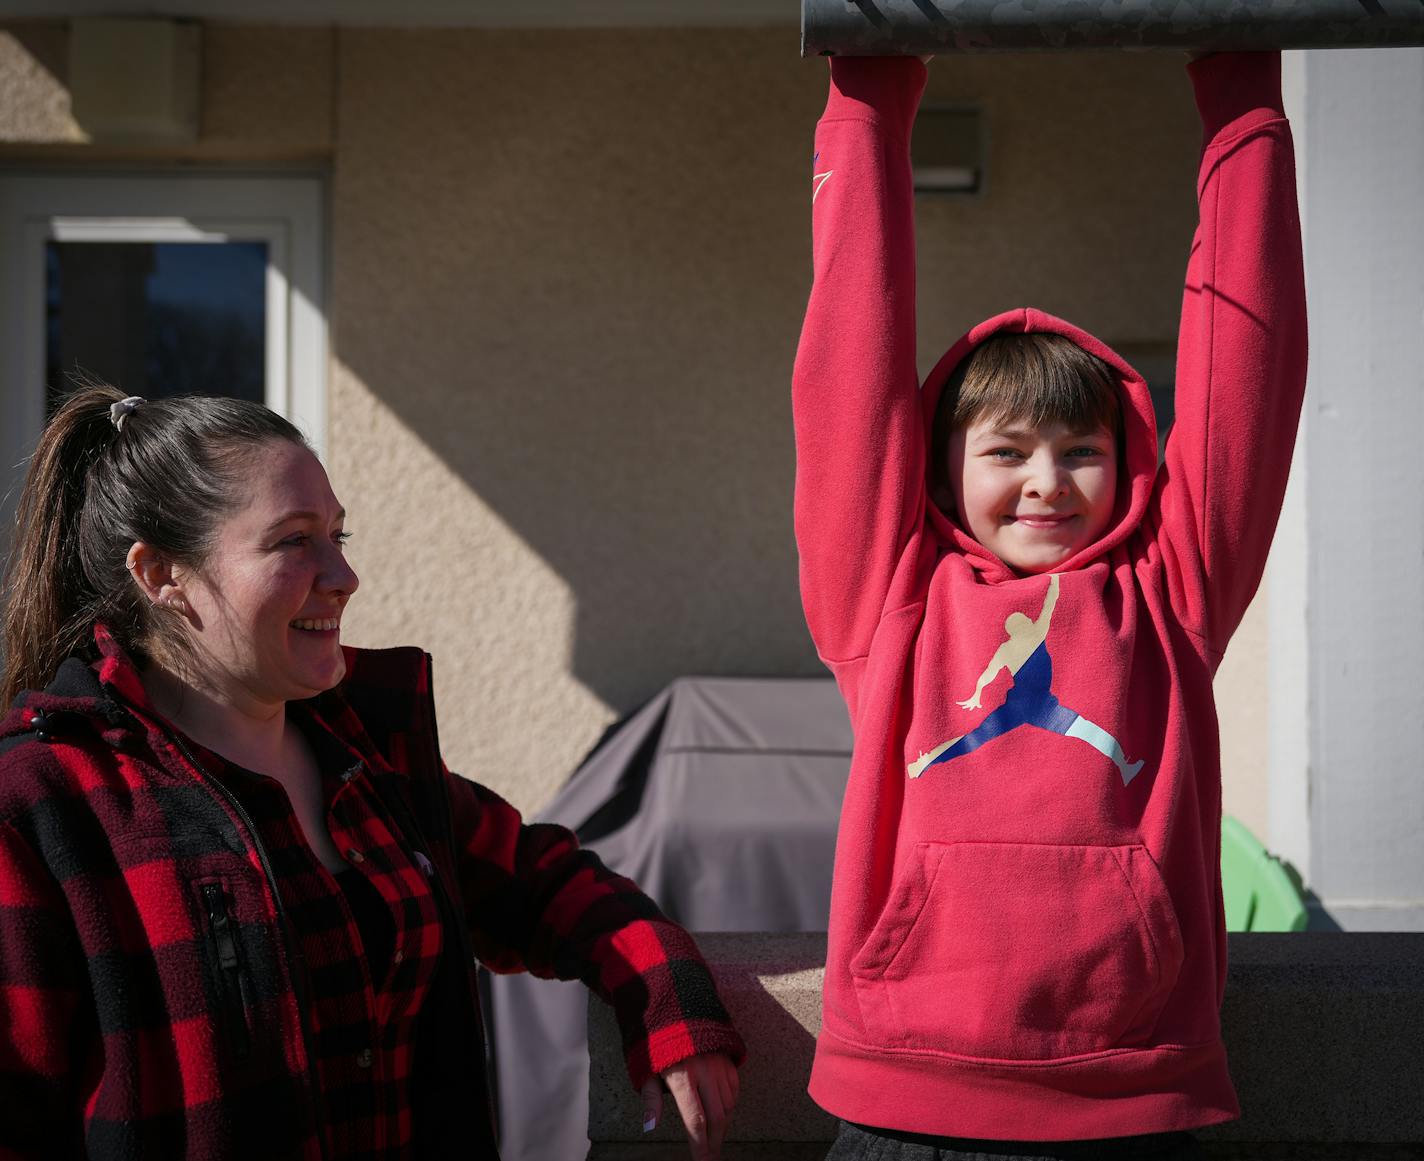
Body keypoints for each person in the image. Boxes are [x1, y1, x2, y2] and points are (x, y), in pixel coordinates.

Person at [0, 386, 743, 1160]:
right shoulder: (45, 805)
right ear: (160, 575)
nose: (343, 574)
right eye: (293, 541)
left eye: (338, 533)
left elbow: (545, 881)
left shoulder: (368, 753)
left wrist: (668, 997)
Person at [793, 50, 1305, 1159]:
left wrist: (1242, 105)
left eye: (1081, 451)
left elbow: (1242, 382)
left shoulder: (1169, 592)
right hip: (902, 1103)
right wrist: (868, 106)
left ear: (1126, 466)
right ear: (939, 472)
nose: (1043, 479)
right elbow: (849, 366)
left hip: (1131, 1099)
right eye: (1006, 450)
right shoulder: (886, 597)